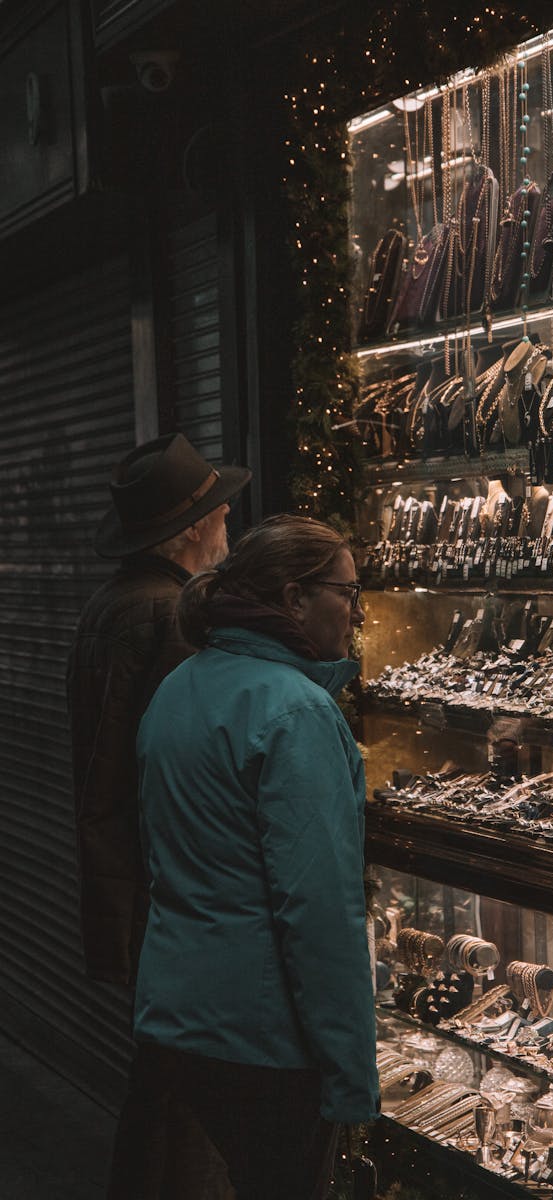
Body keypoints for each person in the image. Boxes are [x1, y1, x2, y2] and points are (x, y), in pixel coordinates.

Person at [130, 513, 379, 1200]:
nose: (358, 613)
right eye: (347, 593)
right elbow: (319, 911)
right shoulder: (295, 712)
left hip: (184, 1013)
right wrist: (352, 1077)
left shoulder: (181, 686)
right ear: (295, 598)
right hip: (264, 1033)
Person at [67, 430, 250, 1199]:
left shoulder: (113, 605)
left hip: (139, 890)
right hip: (171, 899)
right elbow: (180, 774)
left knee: (162, 1095)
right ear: (194, 530)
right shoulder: (170, 616)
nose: (230, 526)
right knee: (192, 1110)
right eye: (220, 514)